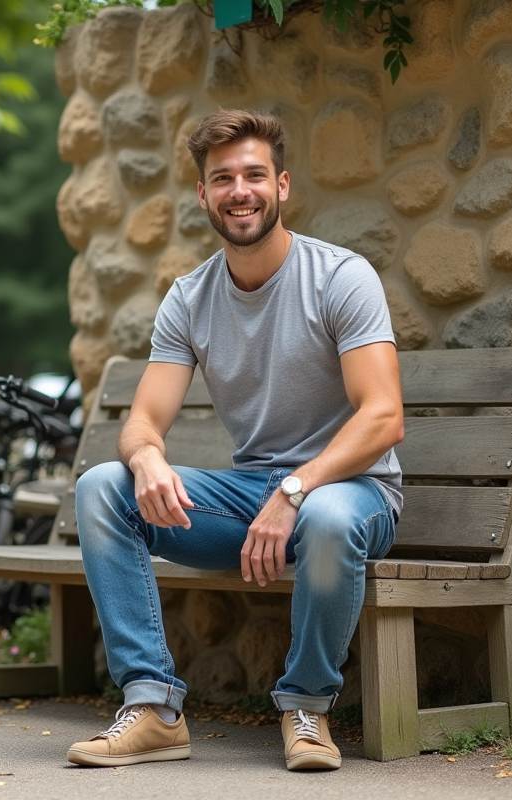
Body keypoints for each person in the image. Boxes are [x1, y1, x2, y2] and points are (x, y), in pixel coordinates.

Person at [66, 108, 405, 772]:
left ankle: (306, 707)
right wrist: (148, 459)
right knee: (104, 487)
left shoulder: (340, 278)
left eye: (254, 174)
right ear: (203, 196)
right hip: (254, 497)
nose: (239, 190)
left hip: (350, 491)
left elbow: (383, 418)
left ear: (282, 186)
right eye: (223, 178)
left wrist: (295, 488)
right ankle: (155, 708)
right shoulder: (189, 299)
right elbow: (141, 422)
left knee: (331, 518)